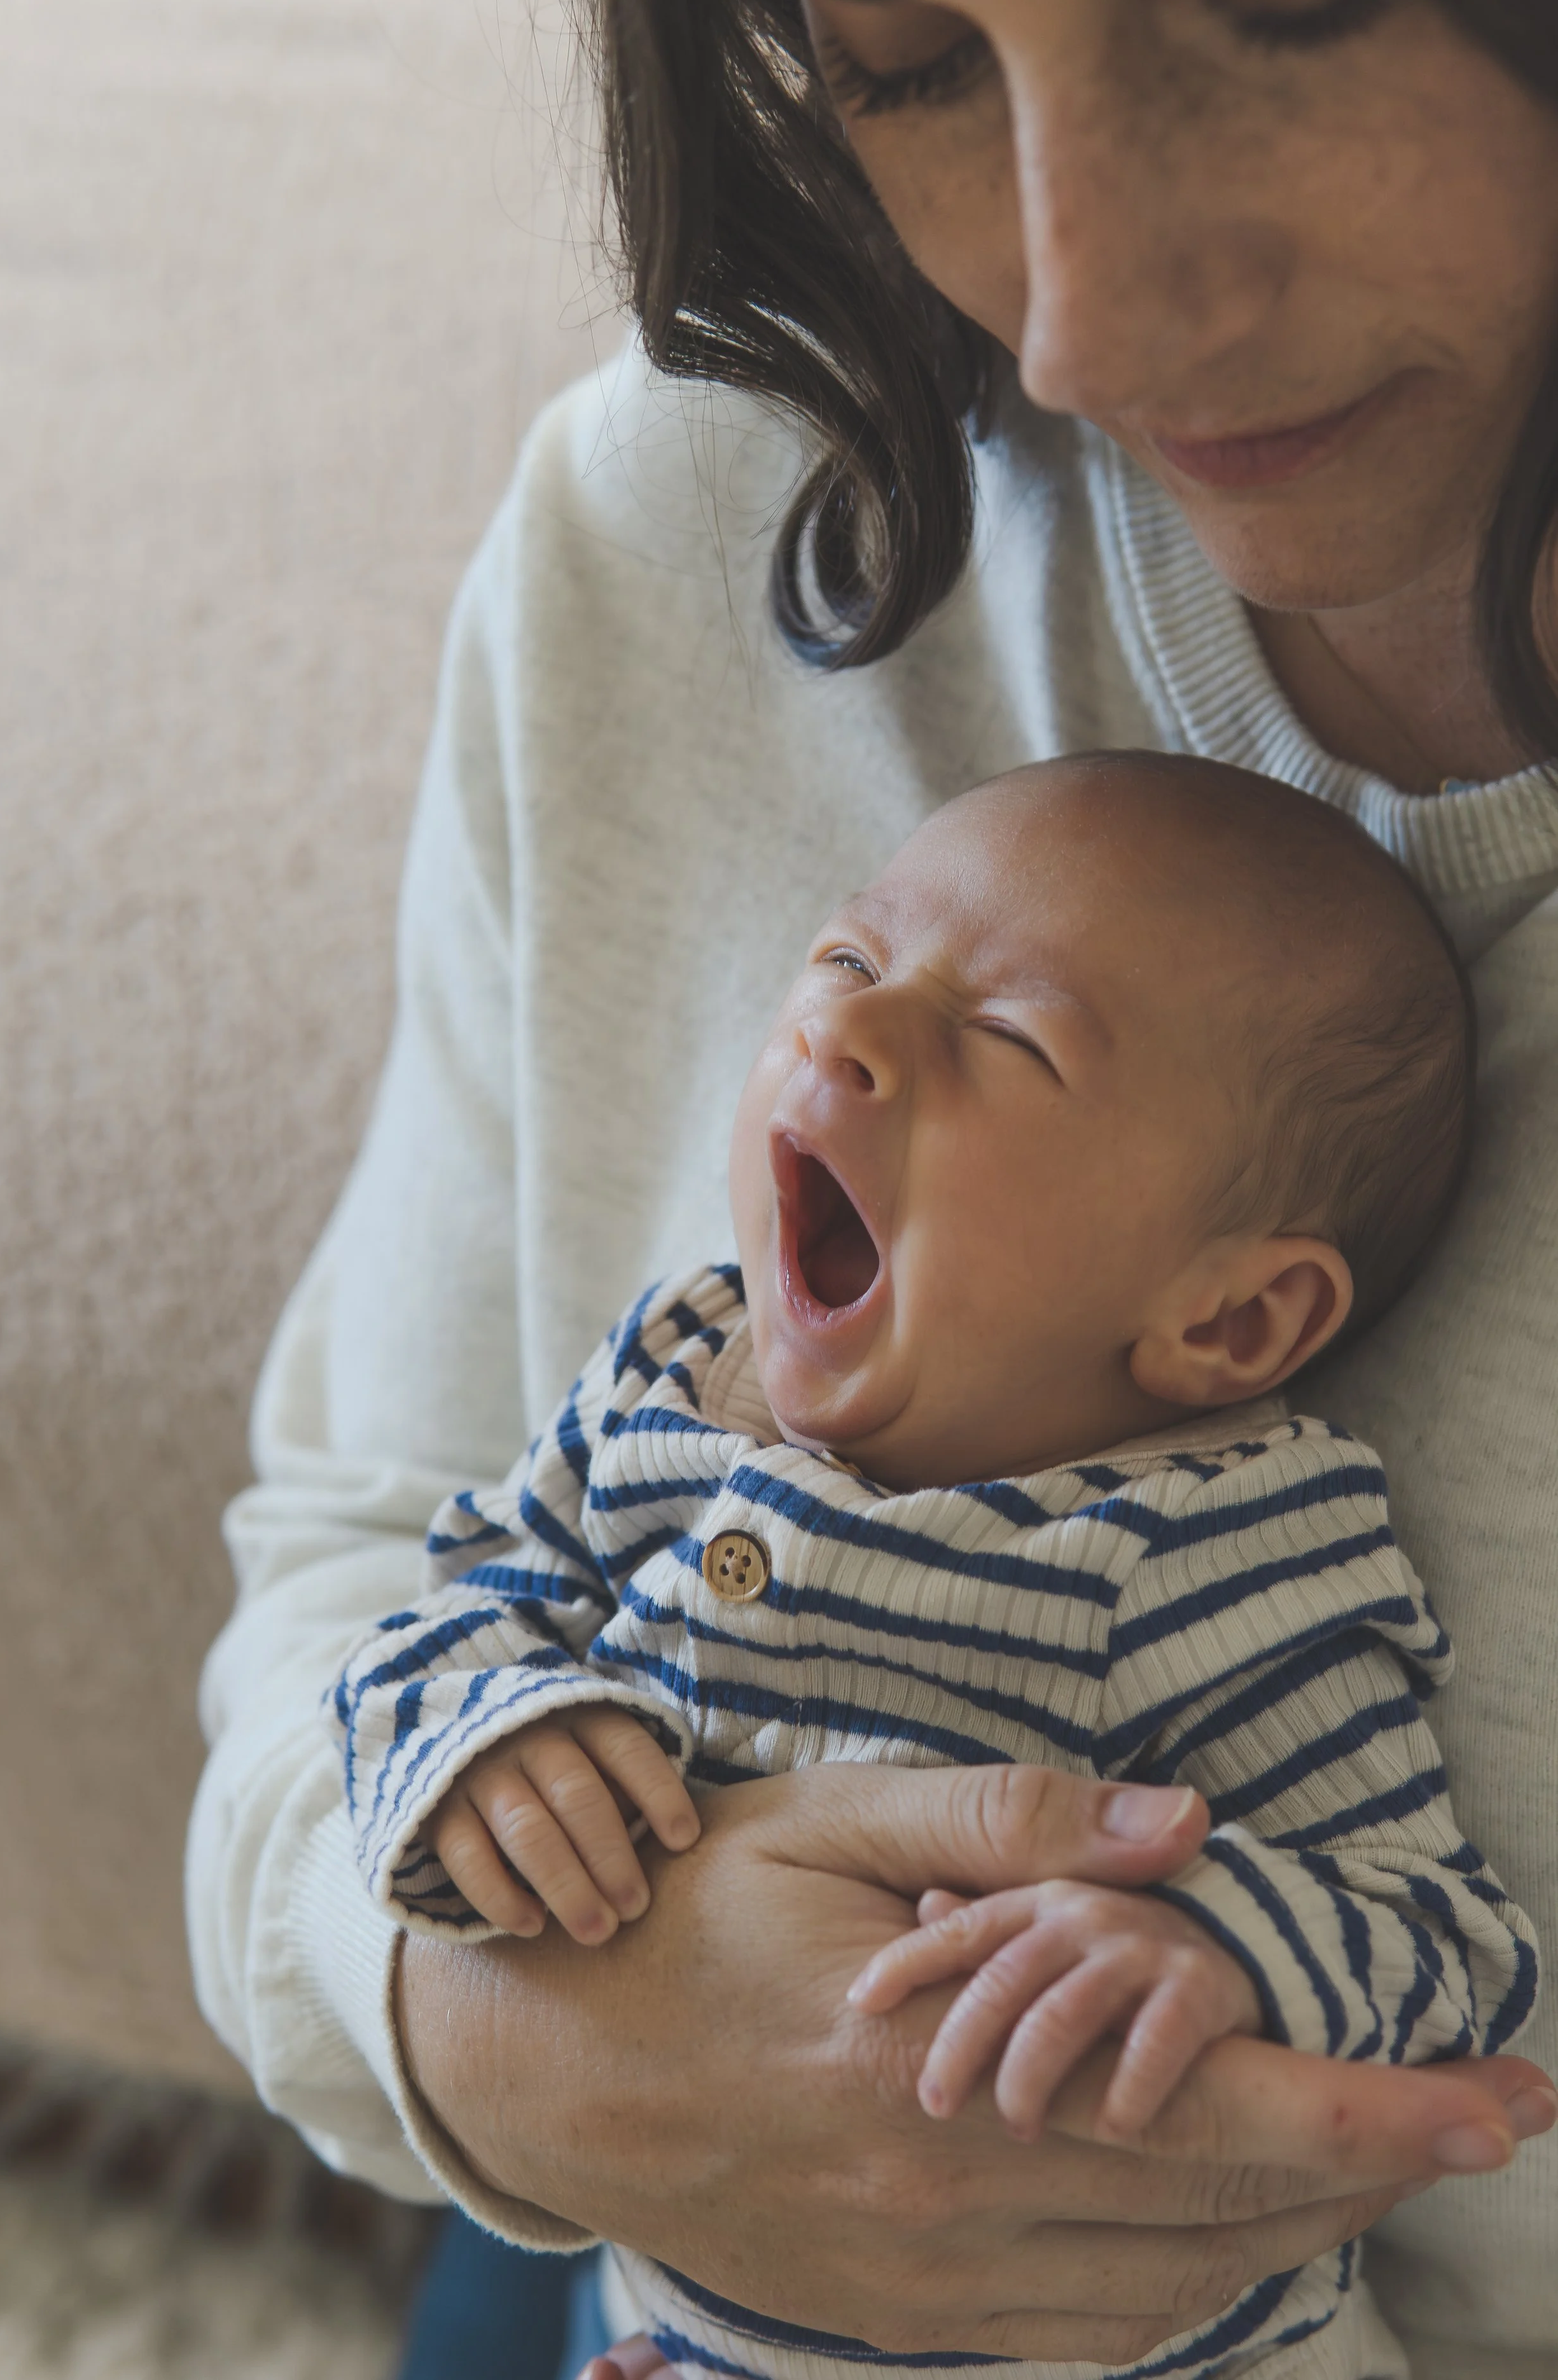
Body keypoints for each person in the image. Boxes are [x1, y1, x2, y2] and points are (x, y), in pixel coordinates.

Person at [186, 0, 1558, 2374]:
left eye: (1288, 4)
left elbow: (1419, 1932)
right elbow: (371, 1558)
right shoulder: (696, 515)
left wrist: (1210, 1958)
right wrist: (508, 2033)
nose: (1084, 309)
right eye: (915, 58)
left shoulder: (1240, 1567)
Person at [330, 756, 1536, 2378]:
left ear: (1228, 1320)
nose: (844, 1033)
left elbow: (1442, 1944)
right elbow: (450, 1604)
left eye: (1008, 1040)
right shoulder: (674, 1375)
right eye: (846, 962)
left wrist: (1215, 1946)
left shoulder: (1206, 1546)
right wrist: (488, 1741)